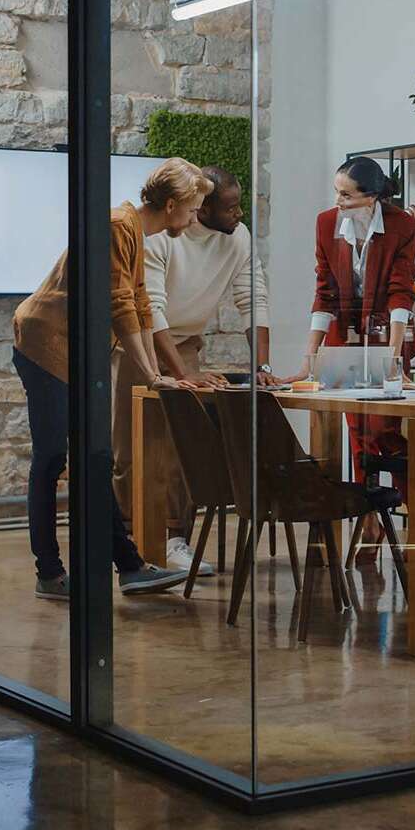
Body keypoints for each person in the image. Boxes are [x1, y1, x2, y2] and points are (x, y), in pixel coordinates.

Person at [11, 157, 210, 600]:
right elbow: (120, 306)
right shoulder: (119, 225)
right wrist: (152, 375)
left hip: (72, 351)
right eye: (194, 210)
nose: (195, 218)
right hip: (45, 344)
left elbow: (138, 302)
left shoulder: (135, 231)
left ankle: (130, 566)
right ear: (174, 204)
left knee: (93, 457)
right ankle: (51, 573)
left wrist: (158, 372)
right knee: (51, 458)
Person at [287, 156, 415, 557]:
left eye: (347, 194)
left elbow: (402, 290)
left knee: (385, 430)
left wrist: (394, 356)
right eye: (336, 192)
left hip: (387, 336)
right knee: (359, 430)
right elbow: (324, 290)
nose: (338, 201)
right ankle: (370, 516)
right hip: (343, 339)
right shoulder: (327, 223)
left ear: (372, 196)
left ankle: (411, 509)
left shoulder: (402, 225)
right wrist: (310, 355)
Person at [144, 165, 273, 573]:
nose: (239, 215)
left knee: (185, 443)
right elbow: (150, 309)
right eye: (231, 208)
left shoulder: (238, 238)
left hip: (185, 343)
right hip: (141, 341)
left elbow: (254, 298)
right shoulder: (162, 237)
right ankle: (138, 542)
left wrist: (261, 366)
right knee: (141, 447)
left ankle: (172, 538)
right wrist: (180, 372)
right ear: (201, 210)